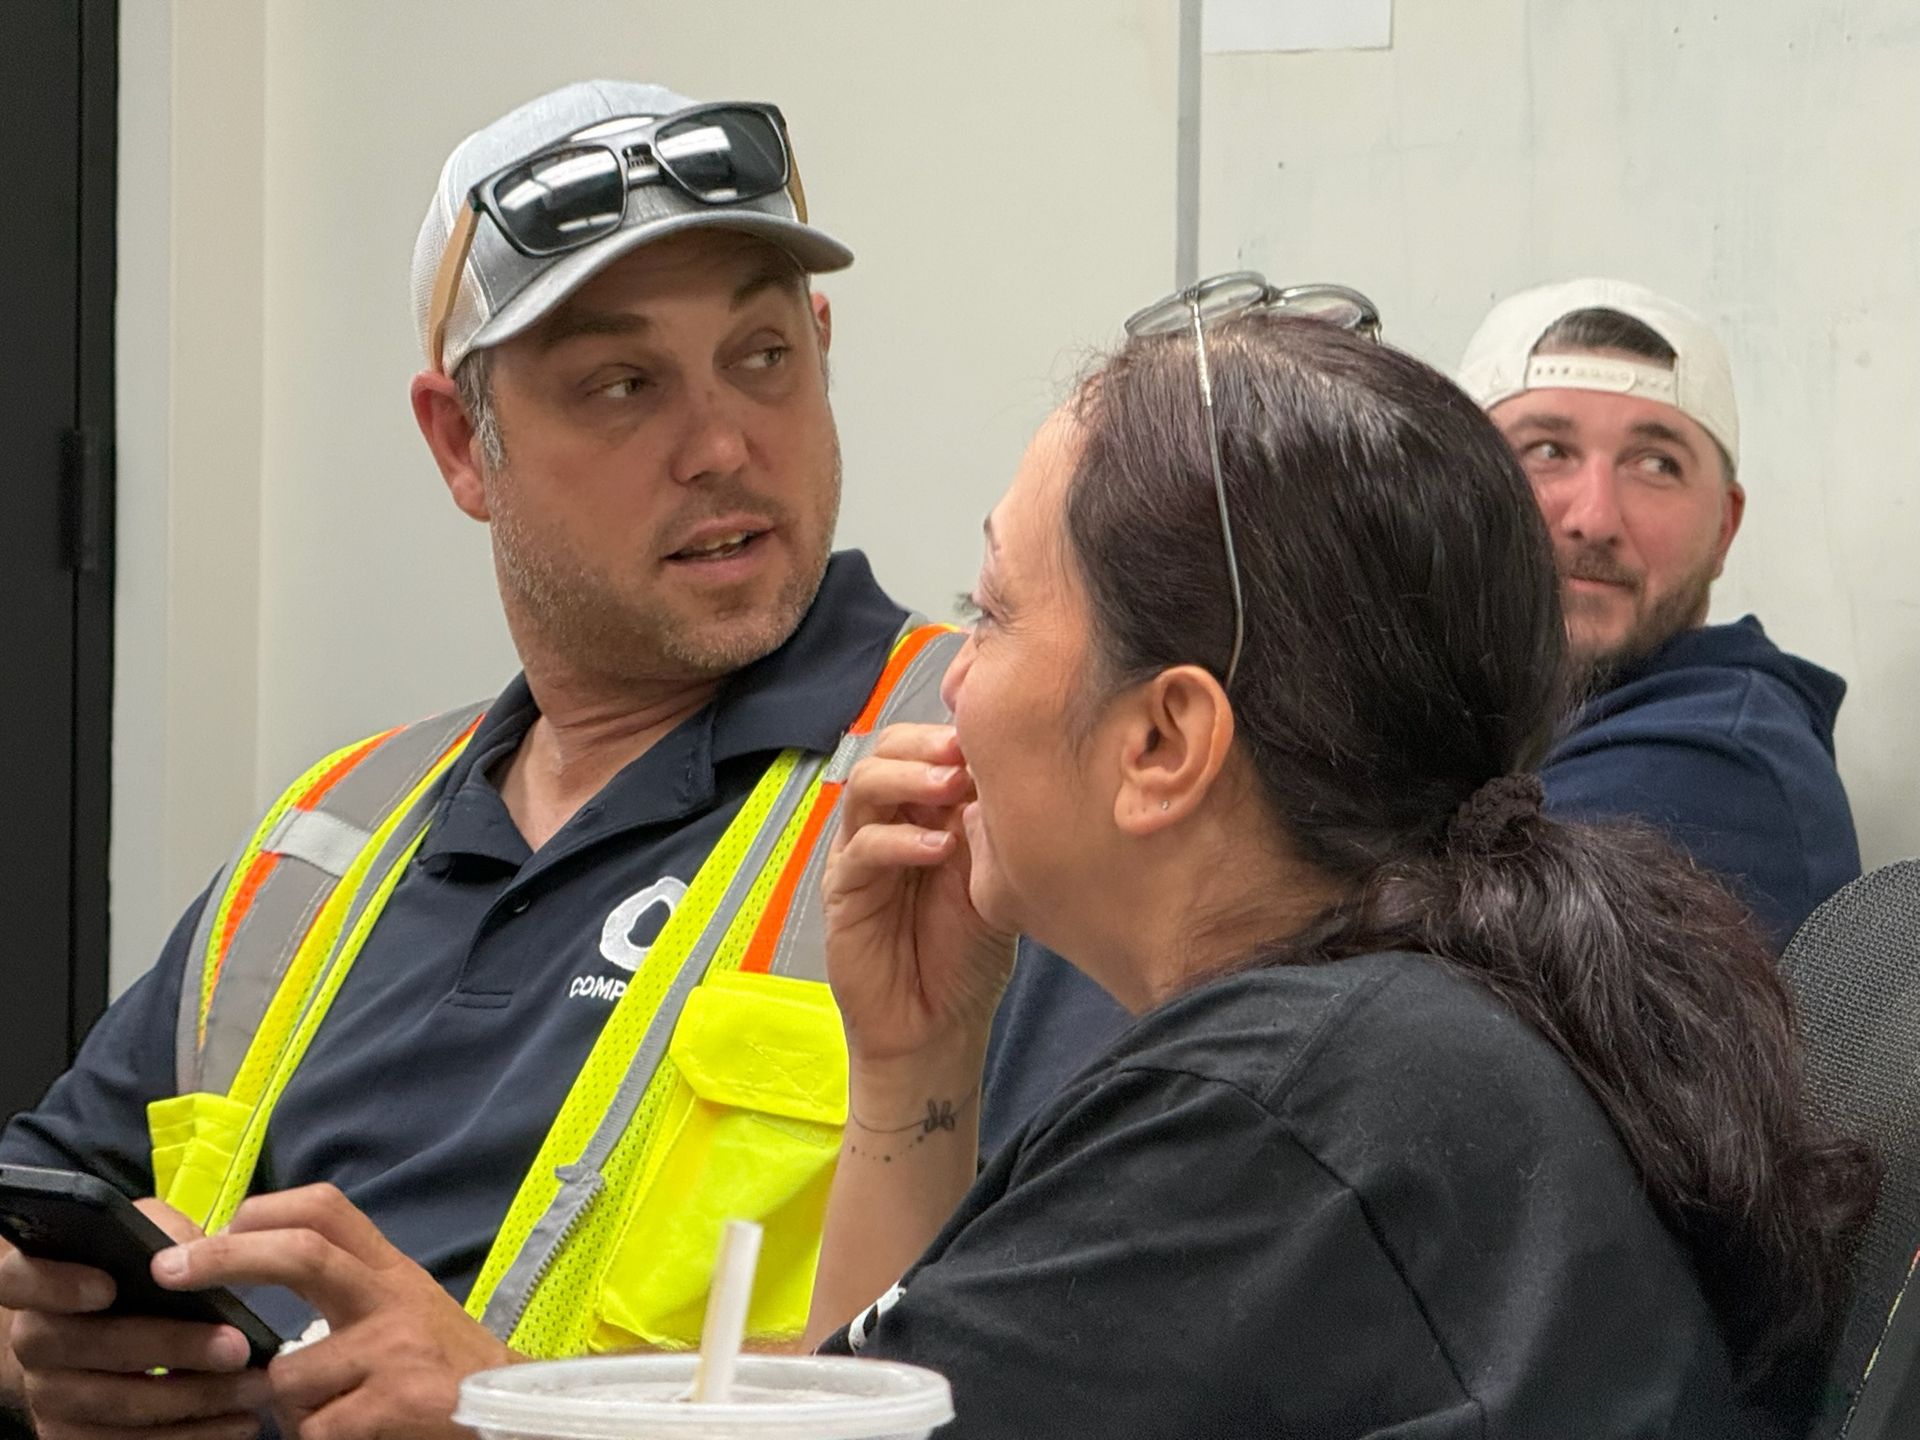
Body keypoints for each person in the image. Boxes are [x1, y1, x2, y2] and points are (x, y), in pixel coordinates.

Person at [0, 78, 977, 1440]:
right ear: (464, 444)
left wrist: (514, 1415)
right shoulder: (327, 833)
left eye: (763, 356)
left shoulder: (972, 773)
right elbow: (38, 1197)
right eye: (624, 385)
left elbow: (1056, 1356)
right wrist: (49, 1347)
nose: (722, 446)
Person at [804, 281, 1875, 1437]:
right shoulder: (1408, 1038)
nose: (953, 678)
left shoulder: (1264, 1117)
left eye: (994, 609)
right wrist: (917, 1060)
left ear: (1164, 743)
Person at [1459, 278, 1861, 950]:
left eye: (1655, 464)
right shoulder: (1492, 715)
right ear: (1457, 491)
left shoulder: (1713, 771)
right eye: (1547, 451)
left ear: (1724, 530)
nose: (1595, 518)